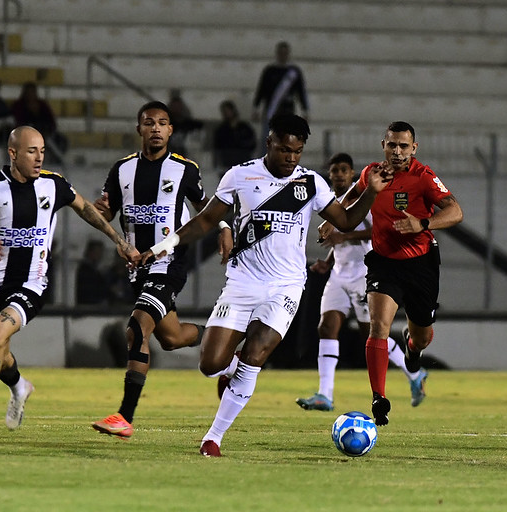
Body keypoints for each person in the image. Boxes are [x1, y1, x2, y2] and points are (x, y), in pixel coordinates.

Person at [140, 114, 391, 457]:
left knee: (256, 354)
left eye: (298, 151)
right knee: (210, 365)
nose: (291, 158)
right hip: (243, 282)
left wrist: (371, 194)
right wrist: (159, 248)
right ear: (269, 143)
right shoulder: (240, 175)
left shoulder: (310, 183)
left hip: (286, 286)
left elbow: (346, 221)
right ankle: (231, 364)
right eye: (285, 149)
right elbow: (205, 221)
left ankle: (213, 438)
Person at [0, 126, 140, 444]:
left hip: (33, 283)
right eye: (31, 151)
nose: (39, 158)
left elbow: (85, 208)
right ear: (13, 153)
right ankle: (19, 386)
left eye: (42, 151)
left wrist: (118, 240)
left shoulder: (54, 185)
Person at [90, 101, 231, 438]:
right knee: (171, 337)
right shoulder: (121, 170)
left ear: (171, 130)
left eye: (162, 123)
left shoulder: (185, 169)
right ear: (139, 128)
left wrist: (225, 226)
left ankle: (125, 417)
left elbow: (206, 209)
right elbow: (106, 214)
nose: (155, 128)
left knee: (137, 330)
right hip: (137, 266)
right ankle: (227, 342)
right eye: (149, 122)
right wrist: (100, 212)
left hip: (169, 262)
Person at [326, 121, 463, 426]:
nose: (397, 151)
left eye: (404, 146)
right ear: (383, 146)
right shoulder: (372, 173)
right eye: (392, 145)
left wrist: (423, 223)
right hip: (383, 262)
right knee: (378, 327)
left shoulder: (424, 178)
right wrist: (332, 217)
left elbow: (455, 212)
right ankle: (379, 397)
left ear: (414, 148)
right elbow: (353, 194)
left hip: (421, 265)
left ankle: (413, 351)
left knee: (423, 337)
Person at [296, 153, 427, 412]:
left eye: (344, 170)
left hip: (363, 274)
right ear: (330, 174)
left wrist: (345, 236)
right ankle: (325, 394)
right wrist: (328, 261)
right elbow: (339, 239)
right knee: (326, 327)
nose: (339, 175)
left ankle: (414, 374)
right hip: (339, 274)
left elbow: (376, 231)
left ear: (353, 173)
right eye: (335, 170)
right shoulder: (333, 202)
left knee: (373, 335)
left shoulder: (365, 197)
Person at [252, 41, 309, 148]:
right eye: (281, 53)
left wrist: (305, 109)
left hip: (288, 111)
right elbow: (261, 90)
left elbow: (301, 92)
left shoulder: (294, 72)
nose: (283, 55)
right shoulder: (269, 71)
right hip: (271, 111)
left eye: (285, 53)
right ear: (277, 53)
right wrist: (256, 107)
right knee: (268, 139)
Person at [11, 82, 67, 163]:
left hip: (44, 132)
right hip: (25, 134)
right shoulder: (19, 105)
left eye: (32, 92)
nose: (30, 95)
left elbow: (51, 121)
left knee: (61, 140)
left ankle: (54, 161)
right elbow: (17, 121)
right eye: (28, 92)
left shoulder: (42, 105)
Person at [213, 100, 257, 174]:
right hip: (228, 162)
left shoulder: (244, 128)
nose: (227, 114)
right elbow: (218, 146)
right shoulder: (221, 130)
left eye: (228, 111)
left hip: (243, 160)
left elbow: (251, 143)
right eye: (224, 111)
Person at [167, 88, 204, 155]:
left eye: (178, 106)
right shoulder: (166, 125)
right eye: (174, 107)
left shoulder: (189, 124)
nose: (176, 109)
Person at [75, 239, 109, 305]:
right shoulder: (84, 270)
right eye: (97, 252)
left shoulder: (96, 270)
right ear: (90, 252)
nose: (100, 255)